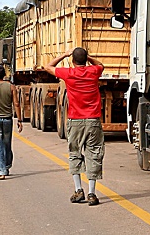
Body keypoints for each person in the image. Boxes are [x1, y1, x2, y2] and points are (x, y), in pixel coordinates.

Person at [42, 47, 105, 206]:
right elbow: (101, 64)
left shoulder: (69, 73)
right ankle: (92, 193)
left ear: (72, 60)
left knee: (75, 153)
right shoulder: (93, 72)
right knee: (94, 154)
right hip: (93, 120)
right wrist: (89, 57)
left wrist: (64, 54)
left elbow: (47, 67)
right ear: (85, 60)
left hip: (75, 120)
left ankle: (78, 190)